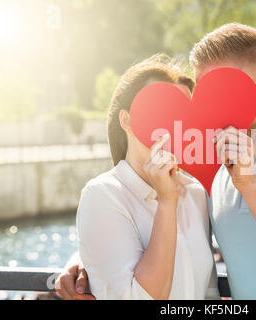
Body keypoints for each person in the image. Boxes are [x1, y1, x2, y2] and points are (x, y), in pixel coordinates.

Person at [57, 23, 256, 300]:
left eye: (228, 88)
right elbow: (142, 227)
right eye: (207, 92)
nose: (217, 103)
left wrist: (250, 186)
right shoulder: (217, 172)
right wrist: (85, 263)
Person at [55, 55, 219, 300]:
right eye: (160, 108)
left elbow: (209, 293)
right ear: (126, 119)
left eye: (183, 113)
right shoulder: (103, 195)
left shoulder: (194, 193)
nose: (172, 123)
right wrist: (166, 201)